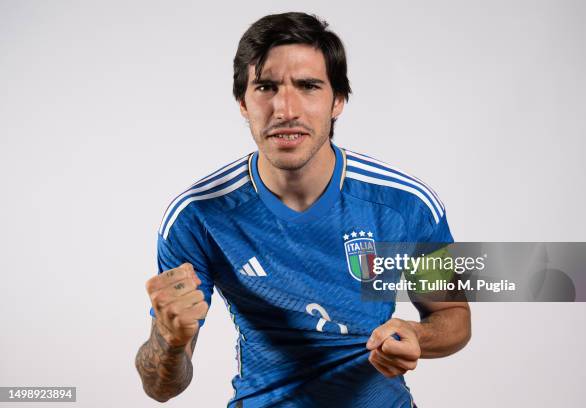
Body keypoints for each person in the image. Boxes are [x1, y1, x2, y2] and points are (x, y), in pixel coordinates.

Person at [135, 12, 471, 407]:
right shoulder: (197, 215)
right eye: (266, 86)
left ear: (338, 101)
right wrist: (170, 342)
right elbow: (161, 387)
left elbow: (453, 315)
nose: (286, 108)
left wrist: (417, 335)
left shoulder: (404, 203)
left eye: (308, 86)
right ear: (243, 102)